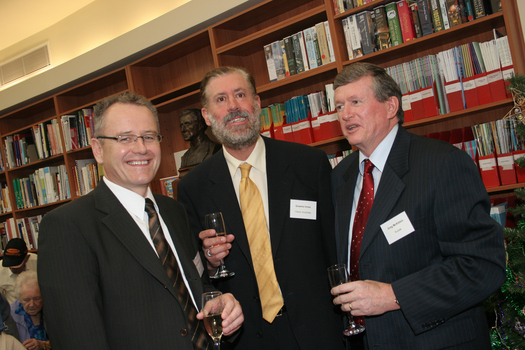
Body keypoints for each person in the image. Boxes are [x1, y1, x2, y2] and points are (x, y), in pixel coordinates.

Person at [37, 92, 244, 350]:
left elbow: (192, 288)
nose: (141, 148)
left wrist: (221, 306)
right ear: (98, 150)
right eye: (125, 138)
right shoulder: (68, 227)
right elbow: (77, 339)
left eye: (149, 137)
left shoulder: (173, 211)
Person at [330, 62, 506, 349]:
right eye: (338, 106)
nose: (345, 114)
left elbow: (482, 266)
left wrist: (393, 295)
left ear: (390, 107)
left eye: (355, 102)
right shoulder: (340, 176)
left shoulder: (442, 163)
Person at [177, 66, 344, 350]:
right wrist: (210, 261)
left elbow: (334, 250)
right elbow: (198, 279)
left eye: (240, 94)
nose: (233, 106)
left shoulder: (309, 165)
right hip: (246, 339)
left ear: (256, 102)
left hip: (318, 331)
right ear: (206, 116)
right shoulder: (193, 188)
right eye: (221, 99)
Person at [10, 271, 50, 350]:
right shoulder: (10, 315)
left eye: (36, 298)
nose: (31, 304)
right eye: (26, 300)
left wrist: (44, 345)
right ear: (19, 298)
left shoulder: (52, 310)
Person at [0, 239, 37, 304]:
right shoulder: (1, 269)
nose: (11, 269)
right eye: (9, 266)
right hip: (12, 310)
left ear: (27, 258)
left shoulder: (37, 263)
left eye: (16, 266)